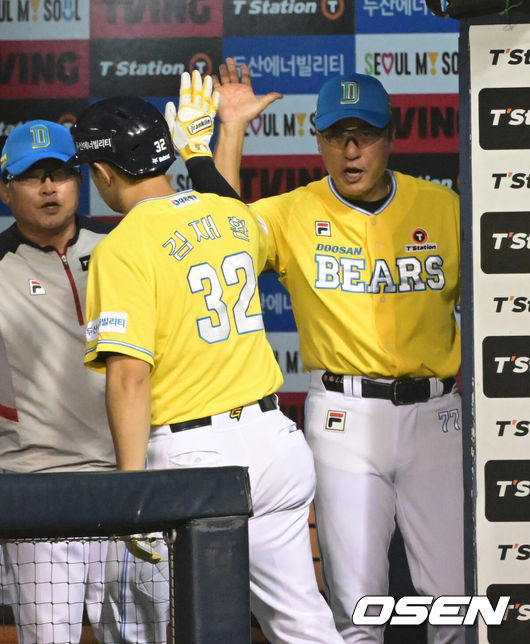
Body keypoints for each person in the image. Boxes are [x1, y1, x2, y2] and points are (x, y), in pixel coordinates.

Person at [71, 85, 344, 644]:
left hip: (193, 462)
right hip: (275, 447)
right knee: (303, 624)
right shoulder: (230, 214)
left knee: (145, 631)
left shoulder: (122, 247)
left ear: (101, 171)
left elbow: (129, 375)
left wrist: (130, 493)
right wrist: (206, 148)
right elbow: (224, 217)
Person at [207, 61, 465, 644]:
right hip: (344, 417)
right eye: (337, 136)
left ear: (390, 137)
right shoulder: (294, 211)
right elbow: (216, 234)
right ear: (317, 140)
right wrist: (232, 130)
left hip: (437, 417)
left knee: (456, 606)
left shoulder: (445, 209)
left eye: (365, 135)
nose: (351, 151)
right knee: (357, 609)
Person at [0, 120, 168, 643]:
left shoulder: (123, 247)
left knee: (147, 638)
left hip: (131, 482)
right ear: (5, 189)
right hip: (38, 487)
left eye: (61, 174)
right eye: (33, 176)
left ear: (83, 180)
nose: (50, 187)